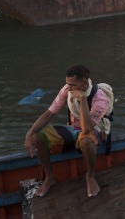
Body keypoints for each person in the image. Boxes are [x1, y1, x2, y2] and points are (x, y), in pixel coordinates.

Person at [24, 65, 109, 198]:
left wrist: (82, 98)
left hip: (93, 131)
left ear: (85, 83)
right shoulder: (67, 90)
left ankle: (90, 175)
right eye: (67, 84)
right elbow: (50, 113)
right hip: (72, 129)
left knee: (86, 139)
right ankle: (50, 177)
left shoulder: (100, 99)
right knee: (38, 136)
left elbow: (87, 128)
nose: (69, 88)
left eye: (73, 85)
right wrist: (29, 133)